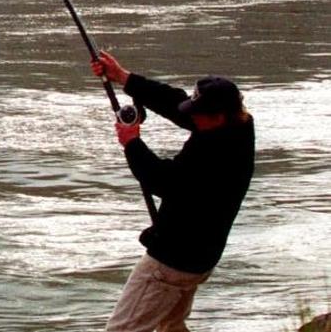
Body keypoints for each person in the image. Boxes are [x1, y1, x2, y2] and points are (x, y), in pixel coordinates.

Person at [91, 51, 255, 332]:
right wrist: (124, 77)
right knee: (171, 326)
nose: (192, 117)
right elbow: (175, 102)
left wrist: (132, 143)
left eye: (198, 114)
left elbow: (163, 181)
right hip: (200, 257)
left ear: (218, 116)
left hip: (172, 262)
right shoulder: (239, 126)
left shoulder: (215, 156)